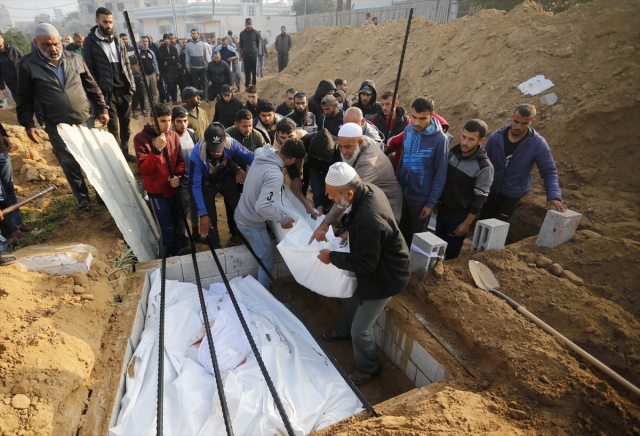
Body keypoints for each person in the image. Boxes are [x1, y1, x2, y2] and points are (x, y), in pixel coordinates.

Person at [316, 163, 410, 386]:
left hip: (386, 276)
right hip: (375, 265)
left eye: (331, 194)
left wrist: (331, 257)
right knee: (350, 297)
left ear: (348, 192)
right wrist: (350, 231)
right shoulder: (367, 190)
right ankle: (342, 331)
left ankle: (369, 368)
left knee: (361, 329)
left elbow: (364, 264)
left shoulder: (368, 218)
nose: (329, 197)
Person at [18, 23, 110, 210]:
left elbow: (91, 85)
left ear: (60, 41)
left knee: (94, 158)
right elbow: (24, 97)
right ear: (36, 43)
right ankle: (83, 199)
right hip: (56, 123)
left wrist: (102, 108)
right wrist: (28, 123)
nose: (53, 49)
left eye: (56, 44)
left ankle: (103, 195)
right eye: (46, 45)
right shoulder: (27, 64)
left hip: (84, 119)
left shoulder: (75, 58)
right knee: (68, 161)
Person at [310, 122, 402, 243]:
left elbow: (346, 195)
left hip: (385, 209)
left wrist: (325, 224)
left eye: (348, 147)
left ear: (360, 143)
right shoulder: (362, 141)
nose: (343, 151)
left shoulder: (367, 164)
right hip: (368, 203)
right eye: (340, 146)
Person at [234, 139, 306, 288]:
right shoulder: (274, 174)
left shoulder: (261, 154)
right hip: (251, 223)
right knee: (267, 261)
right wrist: (283, 219)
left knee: (255, 250)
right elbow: (262, 207)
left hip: (241, 212)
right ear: (293, 160)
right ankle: (263, 296)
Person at [480, 104, 567, 222]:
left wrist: (554, 196)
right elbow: (482, 162)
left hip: (512, 195)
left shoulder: (537, 143)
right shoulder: (496, 137)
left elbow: (548, 170)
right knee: (482, 222)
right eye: (516, 121)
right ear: (511, 117)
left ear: (532, 121)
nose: (518, 126)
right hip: (490, 190)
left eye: (524, 123)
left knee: (497, 227)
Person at [83, 7, 136, 162]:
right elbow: (89, 71)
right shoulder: (90, 42)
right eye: (105, 22)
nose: (108, 25)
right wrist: (98, 93)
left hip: (124, 90)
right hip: (107, 92)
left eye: (111, 22)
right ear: (97, 21)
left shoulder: (118, 40)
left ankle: (125, 153)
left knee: (126, 125)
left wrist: (132, 87)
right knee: (113, 128)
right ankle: (117, 157)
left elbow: (127, 64)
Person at [435, 119, 494, 259]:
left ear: (480, 140)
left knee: (451, 252)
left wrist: (466, 223)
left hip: (460, 216)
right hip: (443, 210)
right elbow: (444, 179)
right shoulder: (453, 153)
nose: (465, 142)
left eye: (471, 139)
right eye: (464, 137)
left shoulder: (484, 167)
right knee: (437, 245)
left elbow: (481, 197)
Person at [190, 123, 255, 248]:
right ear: (206, 142)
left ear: (225, 141)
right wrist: (203, 214)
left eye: (219, 147)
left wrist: (260, 176)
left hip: (224, 179)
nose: (215, 153)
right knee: (210, 218)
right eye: (213, 148)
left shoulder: (231, 143)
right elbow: (195, 187)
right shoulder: (197, 156)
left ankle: (244, 240)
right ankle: (216, 248)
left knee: (240, 209)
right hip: (206, 184)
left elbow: (250, 157)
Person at [395, 97, 448, 246]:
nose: (417, 122)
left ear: (432, 115)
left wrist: (430, 203)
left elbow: (441, 174)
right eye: (414, 117)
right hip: (402, 193)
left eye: (422, 118)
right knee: (399, 233)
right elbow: (402, 160)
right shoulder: (408, 129)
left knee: (415, 238)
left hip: (420, 199)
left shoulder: (440, 140)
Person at [134, 103, 185, 256]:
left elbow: (181, 161)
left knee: (177, 227)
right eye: (162, 120)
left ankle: (178, 256)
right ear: (152, 120)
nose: (167, 124)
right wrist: (156, 150)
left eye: (169, 120)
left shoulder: (174, 135)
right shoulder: (140, 139)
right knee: (166, 232)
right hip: (158, 196)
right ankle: (168, 260)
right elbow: (144, 170)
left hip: (174, 191)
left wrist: (178, 176)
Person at [172, 106, 200, 243]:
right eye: (179, 121)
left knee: (195, 207)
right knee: (183, 210)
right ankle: (182, 239)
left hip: (194, 179)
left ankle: (196, 234)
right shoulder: (171, 137)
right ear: (173, 122)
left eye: (185, 120)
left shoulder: (191, 133)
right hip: (181, 181)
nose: (182, 124)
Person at [0, 123, 32, 242]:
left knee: (8, 188)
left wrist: (3, 134)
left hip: (1, 150)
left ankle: (18, 223)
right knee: (1, 193)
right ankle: (11, 229)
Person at [272, 118, 311, 212]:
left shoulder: (304, 135)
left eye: (290, 137)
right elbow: (286, 173)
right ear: (278, 136)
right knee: (291, 185)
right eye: (283, 137)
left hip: (305, 165)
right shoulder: (276, 149)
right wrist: (304, 200)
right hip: (291, 170)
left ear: (297, 134)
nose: (286, 141)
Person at [304, 129, 341, 211]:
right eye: (317, 156)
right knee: (317, 192)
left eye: (323, 157)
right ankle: (318, 213)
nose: (319, 159)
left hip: (331, 170)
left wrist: (324, 204)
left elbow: (337, 181)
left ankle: (326, 214)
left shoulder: (339, 151)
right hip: (313, 167)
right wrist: (295, 177)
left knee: (330, 192)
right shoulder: (305, 140)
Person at [122, 33, 145, 121]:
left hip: (137, 73)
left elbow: (136, 60)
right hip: (127, 75)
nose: (124, 41)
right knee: (133, 93)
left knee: (141, 92)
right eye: (122, 39)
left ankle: (143, 108)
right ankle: (134, 110)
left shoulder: (133, 48)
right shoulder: (120, 50)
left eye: (125, 39)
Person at [138, 36, 160, 116]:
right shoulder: (138, 52)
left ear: (148, 42)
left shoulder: (151, 52)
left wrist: (157, 73)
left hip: (153, 74)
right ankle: (146, 107)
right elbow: (137, 65)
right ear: (140, 42)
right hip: (144, 76)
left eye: (146, 41)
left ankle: (156, 106)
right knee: (145, 92)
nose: (145, 43)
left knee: (155, 91)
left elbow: (155, 63)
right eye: (143, 41)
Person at [157, 34, 179, 105]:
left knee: (174, 86)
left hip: (173, 70)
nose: (167, 40)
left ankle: (174, 100)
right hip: (165, 70)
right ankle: (167, 101)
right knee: (166, 86)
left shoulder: (173, 48)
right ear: (163, 40)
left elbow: (176, 59)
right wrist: (171, 57)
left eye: (168, 39)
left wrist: (168, 61)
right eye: (165, 39)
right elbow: (161, 59)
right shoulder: (161, 48)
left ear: (170, 40)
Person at [185, 29, 209, 94]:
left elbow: (206, 55)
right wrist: (188, 66)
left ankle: (204, 96)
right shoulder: (188, 45)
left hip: (202, 67)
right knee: (195, 83)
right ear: (191, 35)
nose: (194, 35)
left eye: (195, 33)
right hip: (193, 67)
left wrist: (207, 64)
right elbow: (187, 56)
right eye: (193, 33)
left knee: (203, 82)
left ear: (198, 35)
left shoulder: (203, 44)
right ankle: (197, 96)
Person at [238, 18, 260, 89]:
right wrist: (244, 51)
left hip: (253, 54)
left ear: (252, 24)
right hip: (246, 55)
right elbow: (241, 44)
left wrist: (254, 50)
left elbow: (257, 43)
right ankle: (247, 86)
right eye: (247, 24)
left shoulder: (256, 33)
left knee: (254, 71)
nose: (249, 25)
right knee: (246, 71)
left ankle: (254, 85)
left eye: (250, 24)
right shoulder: (242, 34)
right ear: (245, 24)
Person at [0, 34, 22, 103]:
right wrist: (2, 88)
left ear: (2, 39)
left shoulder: (14, 50)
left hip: (24, 83)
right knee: (21, 107)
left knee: (36, 105)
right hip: (13, 86)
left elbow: (25, 63)